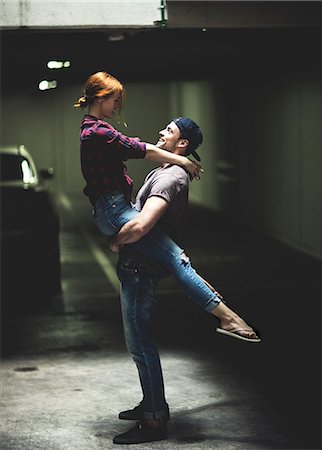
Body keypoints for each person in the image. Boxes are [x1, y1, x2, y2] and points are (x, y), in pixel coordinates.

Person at [108, 118, 261, 445]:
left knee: (141, 345)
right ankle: (152, 404)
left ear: (182, 145)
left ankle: (153, 421)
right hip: (140, 264)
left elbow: (142, 225)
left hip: (140, 268)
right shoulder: (167, 168)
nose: (161, 132)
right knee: (140, 344)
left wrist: (116, 239)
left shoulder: (170, 178)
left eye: (169, 130)